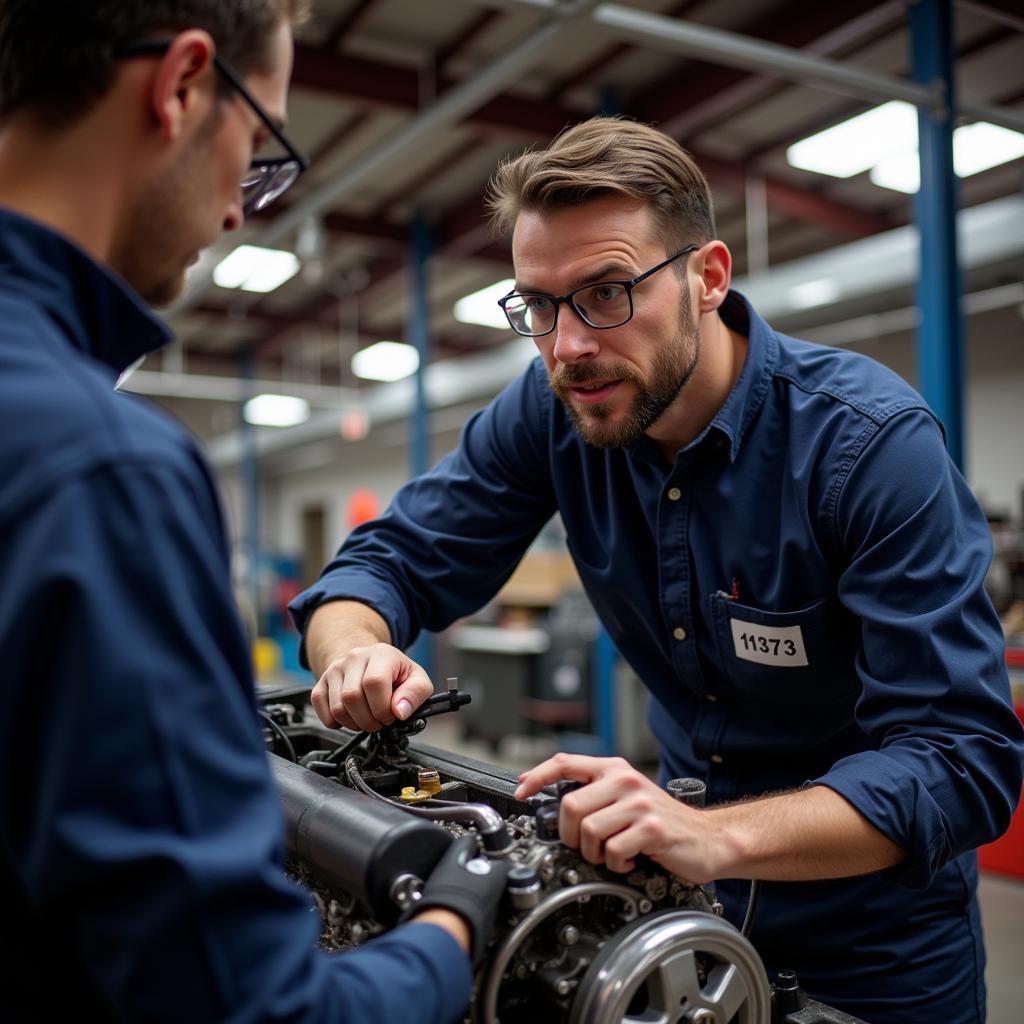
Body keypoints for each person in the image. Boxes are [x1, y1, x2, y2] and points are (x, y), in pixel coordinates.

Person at [290, 117, 1024, 1024]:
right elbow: (384, 560)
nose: (566, 347)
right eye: (539, 306)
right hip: (673, 918)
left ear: (707, 277)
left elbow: (961, 761)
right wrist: (353, 647)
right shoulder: (558, 407)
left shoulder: (868, 449)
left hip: (875, 950)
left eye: (604, 293)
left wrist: (711, 834)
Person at [0, 2, 507, 1021]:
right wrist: (454, 922)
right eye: (260, 149)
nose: (239, 210)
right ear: (182, 86)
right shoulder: (98, 467)